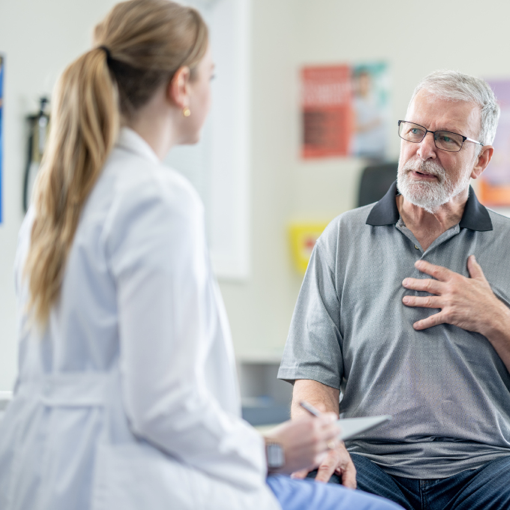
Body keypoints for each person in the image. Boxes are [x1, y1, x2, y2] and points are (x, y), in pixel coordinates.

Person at [0, 2, 401, 510]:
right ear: (181, 87)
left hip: (38, 474)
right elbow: (162, 406)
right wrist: (271, 449)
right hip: (128, 481)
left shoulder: (55, 198)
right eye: (211, 76)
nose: (214, 93)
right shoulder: (158, 198)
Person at [278, 70, 510, 510]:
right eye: (415, 131)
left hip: (490, 469)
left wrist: (496, 320)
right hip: (373, 466)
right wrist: (324, 444)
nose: (424, 150)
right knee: (302, 493)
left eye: (449, 138)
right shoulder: (342, 239)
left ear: (481, 160)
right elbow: (313, 378)